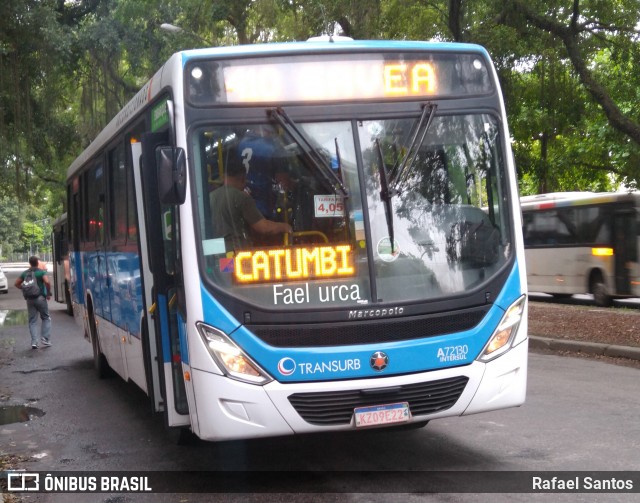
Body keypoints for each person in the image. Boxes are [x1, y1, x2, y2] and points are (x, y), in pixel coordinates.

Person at [210, 148, 292, 251]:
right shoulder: (241, 197)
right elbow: (264, 228)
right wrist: (285, 226)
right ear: (243, 178)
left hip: (211, 250)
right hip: (233, 252)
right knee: (231, 267)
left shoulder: (210, 197)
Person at [15, 256, 52, 349]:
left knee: (32, 321)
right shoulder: (41, 272)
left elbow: (16, 284)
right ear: (37, 263)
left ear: (30, 263)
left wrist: (24, 288)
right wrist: (48, 293)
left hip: (29, 299)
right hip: (40, 298)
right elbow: (47, 282)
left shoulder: (25, 273)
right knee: (46, 317)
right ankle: (45, 339)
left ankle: (34, 342)